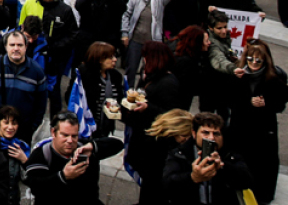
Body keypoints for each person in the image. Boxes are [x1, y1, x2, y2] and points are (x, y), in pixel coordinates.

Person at [121, 41, 181, 205]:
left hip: (154, 145)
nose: (144, 60)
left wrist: (148, 107)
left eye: (146, 57)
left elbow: (170, 114)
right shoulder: (152, 76)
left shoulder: (168, 83)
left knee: (152, 183)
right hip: (145, 138)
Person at [227, 40, 287, 203]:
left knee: (263, 165)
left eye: (258, 60)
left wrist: (266, 103)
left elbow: (281, 103)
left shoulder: (274, 78)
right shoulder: (238, 76)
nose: (254, 63)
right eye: (250, 59)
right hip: (241, 127)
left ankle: (262, 195)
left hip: (263, 130)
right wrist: (248, 102)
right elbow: (229, 100)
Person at [23, 111, 125, 205]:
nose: (70, 141)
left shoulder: (84, 149)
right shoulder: (41, 155)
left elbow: (118, 145)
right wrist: (63, 176)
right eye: (65, 135)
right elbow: (36, 187)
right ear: (53, 132)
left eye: (74, 136)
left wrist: (93, 146)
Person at [162, 112, 254, 205]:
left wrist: (223, 167)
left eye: (216, 134)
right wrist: (192, 177)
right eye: (205, 133)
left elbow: (247, 180)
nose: (211, 138)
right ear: (194, 134)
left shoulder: (230, 154)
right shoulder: (179, 154)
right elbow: (167, 185)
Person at [0, 30, 47, 140]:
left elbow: (41, 102)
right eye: (12, 45)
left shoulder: (37, 71)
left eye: (20, 45)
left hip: (23, 131)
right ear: (6, 46)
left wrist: (33, 126)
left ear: (26, 46)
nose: (16, 48)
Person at [121, 0, 174, 85]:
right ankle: (127, 93)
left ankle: (143, 92)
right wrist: (125, 33)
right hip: (135, 39)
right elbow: (126, 15)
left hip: (152, 41)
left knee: (149, 70)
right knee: (131, 69)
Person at [0, 106, 29, 205]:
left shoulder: (21, 147)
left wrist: (24, 160)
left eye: (14, 123)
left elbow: (29, 180)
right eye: (6, 122)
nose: (10, 127)